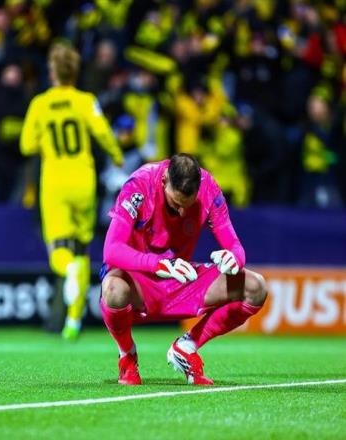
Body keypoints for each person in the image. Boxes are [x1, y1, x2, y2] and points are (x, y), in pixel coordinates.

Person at [100, 153, 267, 385]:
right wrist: (158, 264)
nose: (181, 213)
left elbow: (235, 246)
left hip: (181, 280)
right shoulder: (139, 184)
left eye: (187, 206)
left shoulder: (209, 189)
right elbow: (111, 250)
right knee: (113, 288)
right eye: (175, 204)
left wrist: (234, 259)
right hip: (141, 281)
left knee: (256, 287)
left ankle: (187, 346)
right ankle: (127, 355)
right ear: (164, 181)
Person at [21, 43, 123, 340]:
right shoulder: (85, 100)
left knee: (59, 251)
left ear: (52, 72)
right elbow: (102, 131)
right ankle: (73, 321)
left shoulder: (40, 104)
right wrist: (116, 155)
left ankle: (68, 273)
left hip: (55, 182)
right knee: (80, 247)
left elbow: (26, 144)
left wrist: (44, 140)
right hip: (84, 180)